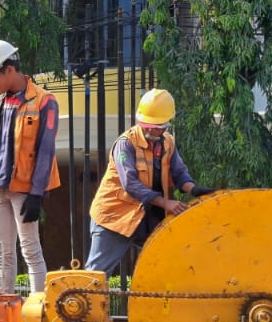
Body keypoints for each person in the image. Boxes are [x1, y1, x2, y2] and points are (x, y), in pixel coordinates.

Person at [0, 40, 60, 295]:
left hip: (24, 190)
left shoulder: (44, 102)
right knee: (2, 251)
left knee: (30, 249)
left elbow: (45, 151)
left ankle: (37, 309)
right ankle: (6, 305)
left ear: (9, 69)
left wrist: (36, 193)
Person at [86, 88, 204, 276]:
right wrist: (167, 203)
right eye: (147, 124)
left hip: (148, 218)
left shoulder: (168, 142)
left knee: (167, 266)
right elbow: (130, 184)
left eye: (157, 126)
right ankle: (79, 301)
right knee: (96, 275)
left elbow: (179, 172)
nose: (150, 129)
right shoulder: (126, 144)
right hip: (115, 218)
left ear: (166, 125)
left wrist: (194, 188)